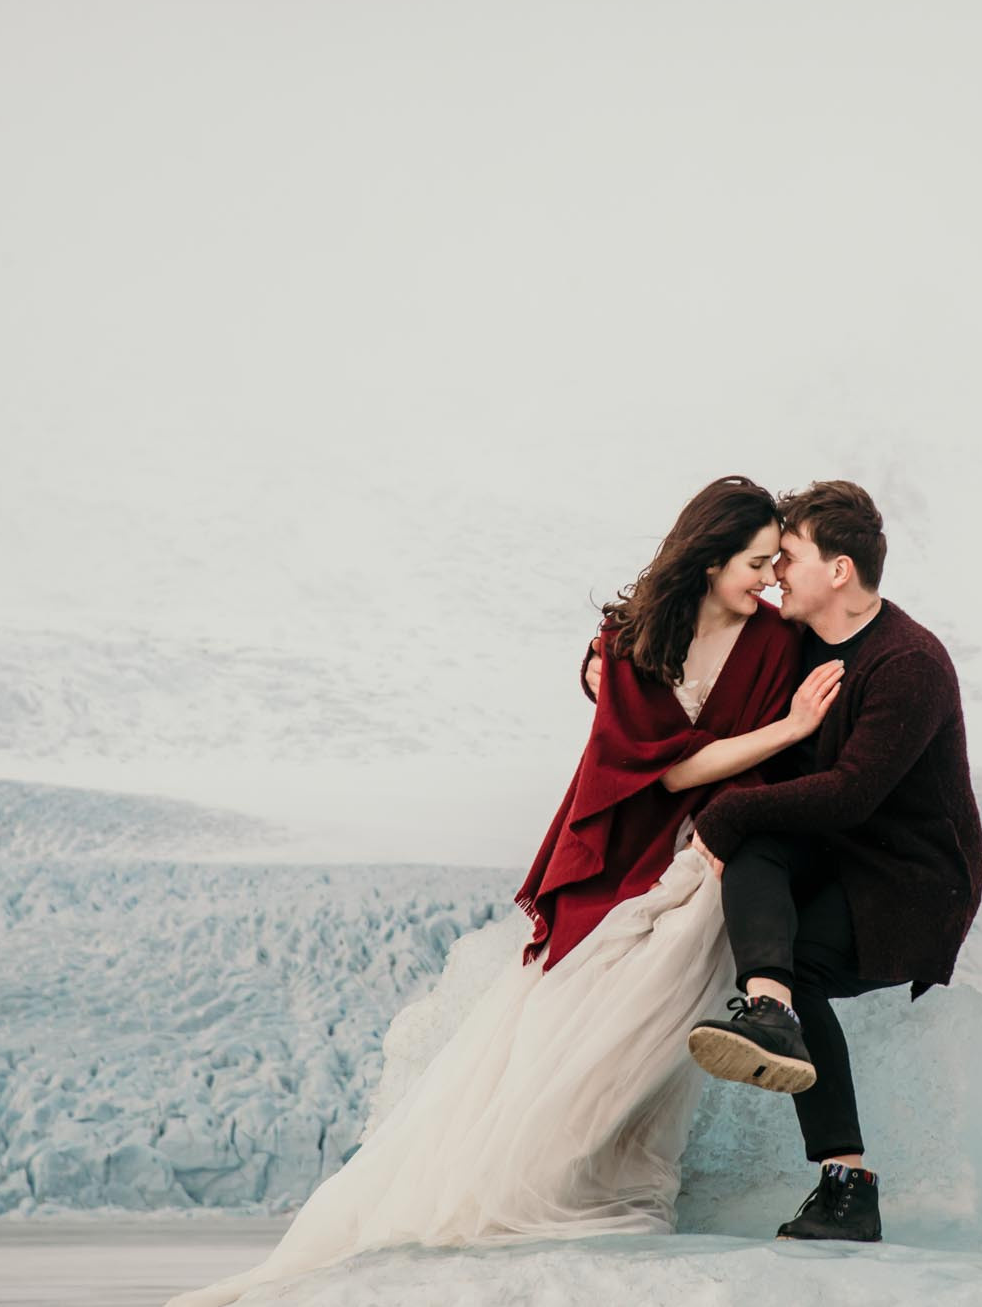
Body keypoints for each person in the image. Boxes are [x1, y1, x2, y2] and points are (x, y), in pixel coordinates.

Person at [165, 476, 842, 1307]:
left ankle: (607, 1181)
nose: (770, 578)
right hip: (623, 849)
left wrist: (763, 779)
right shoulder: (631, 642)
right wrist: (788, 729)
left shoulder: (772, 641)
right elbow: (661, 766)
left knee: (658, 996)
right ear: (707, 561)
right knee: (574, 1014)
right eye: (755, 562)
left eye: (777, 562)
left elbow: (765, 755)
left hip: (707, 842)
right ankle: (529, 1181)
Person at [680, 479, 982, 1244]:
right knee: (753, 846)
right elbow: (698, 625)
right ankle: (771, 1011)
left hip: (914, 882)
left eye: (790, 555)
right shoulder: (806, 641)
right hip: (844, 851)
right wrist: (601, 654)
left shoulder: (908, 662)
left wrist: (725, 812)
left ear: (840, 569)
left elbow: (850, 794)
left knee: (793, 931)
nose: (776, 570)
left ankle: (849, 1189)